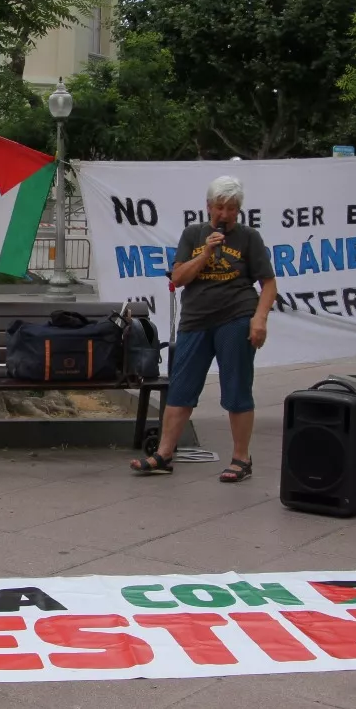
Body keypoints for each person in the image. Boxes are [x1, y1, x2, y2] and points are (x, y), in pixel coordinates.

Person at [131, 176, 276, 482]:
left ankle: (241, 459)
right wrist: (206, 253)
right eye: (220, 207)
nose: (225, 215)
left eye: (231, 209)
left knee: (236, 387)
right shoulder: (193, 234)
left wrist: (259, 318)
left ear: (239, 210)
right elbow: (178, 278)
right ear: (209, 206)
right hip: (196, 320)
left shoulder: (249, 238)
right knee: (181, 387)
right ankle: (164, 454)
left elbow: (268, 283)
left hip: (236, 317)